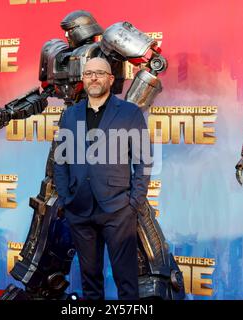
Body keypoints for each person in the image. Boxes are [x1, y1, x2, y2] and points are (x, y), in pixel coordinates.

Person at [53, 57, 152, 300]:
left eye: (99, 73)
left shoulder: (129, 113)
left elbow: (143, 160)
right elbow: (60, 160)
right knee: (89, 281)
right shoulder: (70, 115)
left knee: (126, 281)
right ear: (83, 80)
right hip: (79, 208)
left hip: (118, 209)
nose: (93, 78)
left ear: (110, 79)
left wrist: (134, 202)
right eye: (88, 74)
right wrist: (66, 198)